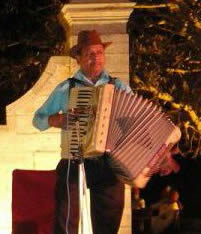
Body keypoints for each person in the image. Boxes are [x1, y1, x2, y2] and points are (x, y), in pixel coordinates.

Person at [32, 30, 178, 234]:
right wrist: (55, 119)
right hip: (74, 160)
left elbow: (140, 125)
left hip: (109, 164)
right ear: (79, 58)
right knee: (65, 224)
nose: (96, 57)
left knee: (108, 227)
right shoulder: (66, 88)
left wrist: (161, 154)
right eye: (90, 53)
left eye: (99, 52)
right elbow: (37, 120)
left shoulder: (118, 86)